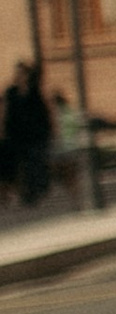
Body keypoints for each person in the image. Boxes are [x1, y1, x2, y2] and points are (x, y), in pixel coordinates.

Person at [5, 58, 53, 209]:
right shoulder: (11, 93)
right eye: (19, 74)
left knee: (35, 164)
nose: (21, 77)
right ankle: (25, 193)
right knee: (19, 166)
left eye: (23, 74)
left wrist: (46, 132)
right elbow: (7, 113)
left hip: (34, 136)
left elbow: (43, 113)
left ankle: (35, 192)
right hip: (16, 136)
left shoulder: (34, 92)